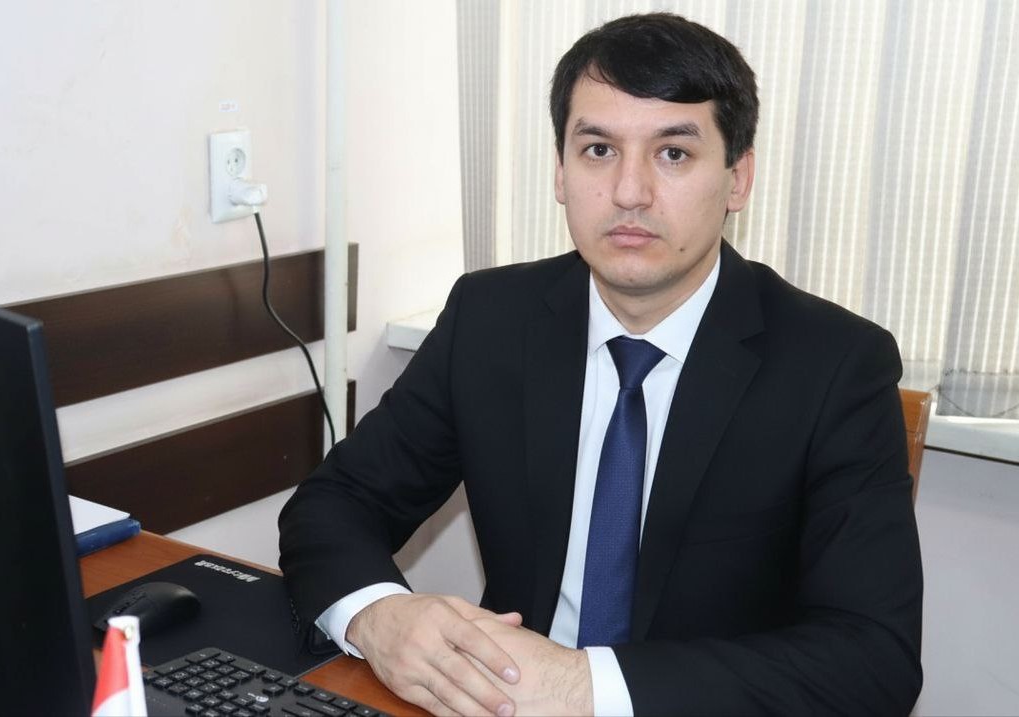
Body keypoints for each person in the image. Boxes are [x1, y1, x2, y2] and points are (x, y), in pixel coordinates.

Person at [279, 11, 923, 716]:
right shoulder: (490, 319)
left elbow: (872, 660)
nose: (629, 192)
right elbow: (336, 503)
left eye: (673, 153)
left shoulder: (834, 364)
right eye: (598, 150)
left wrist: (583, 687)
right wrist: (379, 615)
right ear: (560, 171)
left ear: (738, 178)